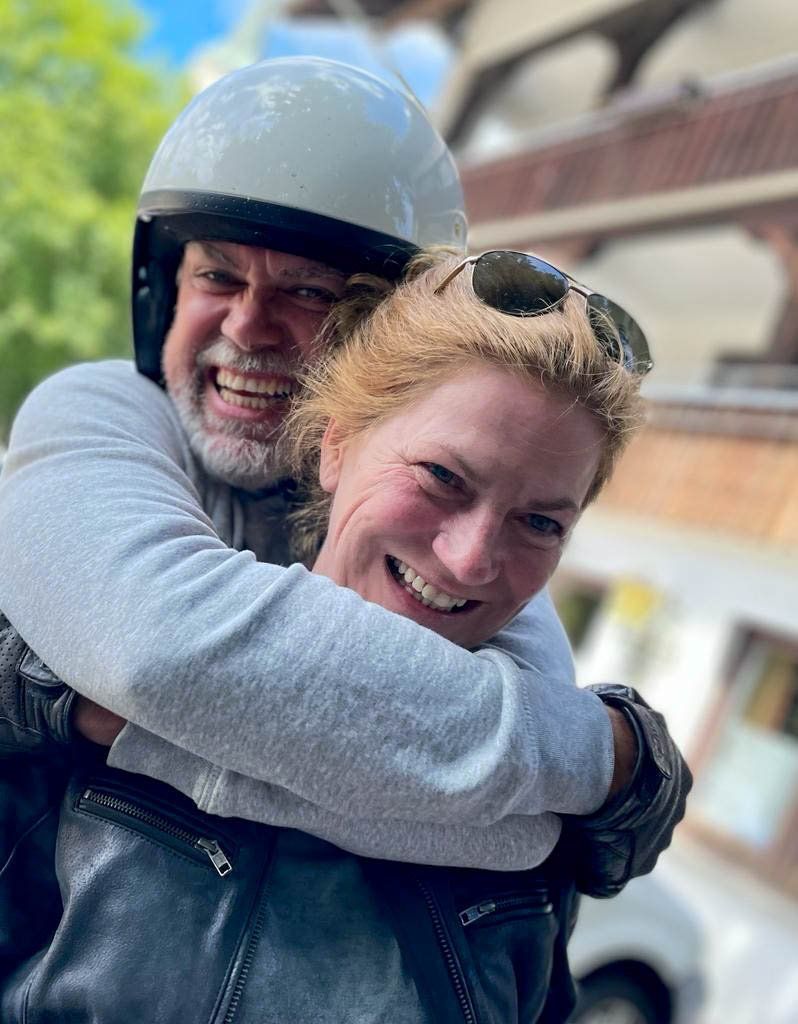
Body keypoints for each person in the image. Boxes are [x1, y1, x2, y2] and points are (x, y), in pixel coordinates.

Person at [0, 56, 670, 872]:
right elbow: (155, 650)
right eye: (217, 275)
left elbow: (536, 821)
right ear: (163, 288)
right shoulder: (100, 409)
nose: (247, 327)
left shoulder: (462, 535)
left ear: (381, 338)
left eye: (309, 292)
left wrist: (132, 715)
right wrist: (599, 759)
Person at [1, 248, 686, 1022]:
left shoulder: (550, 837)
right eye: (442, 476)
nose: (470, 560)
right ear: (334, 443)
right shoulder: (66, 677)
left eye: (539, 522)